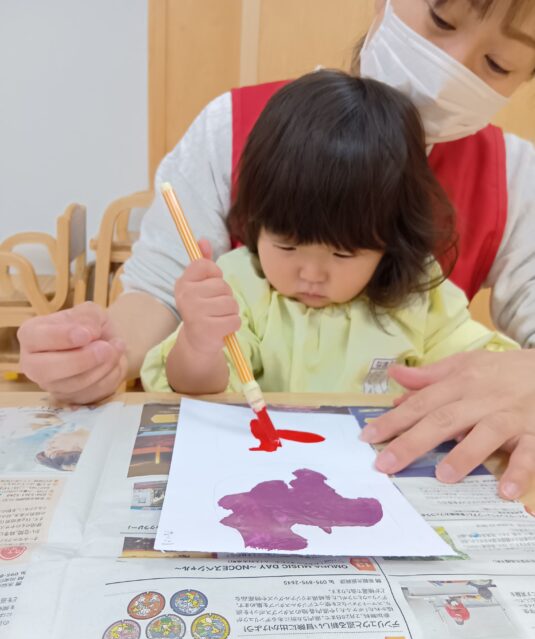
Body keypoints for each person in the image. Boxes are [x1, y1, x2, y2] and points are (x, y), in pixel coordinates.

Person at [17, 0, 535, 499]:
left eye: (498, 63)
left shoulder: (436, 278)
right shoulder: (240, 247)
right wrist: (100, 354)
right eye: (442, 19)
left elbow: (485, 354)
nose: (450, 68)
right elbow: (164, 298)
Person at [141, 71, 517, 396]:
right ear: (257, 220)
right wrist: (199, 343)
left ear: (390, 240)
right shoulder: (241, 284)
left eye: (343, 254)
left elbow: (484, 367)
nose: (311, 273)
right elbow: (196, 388)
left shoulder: (418, 296)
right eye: (287, 246)